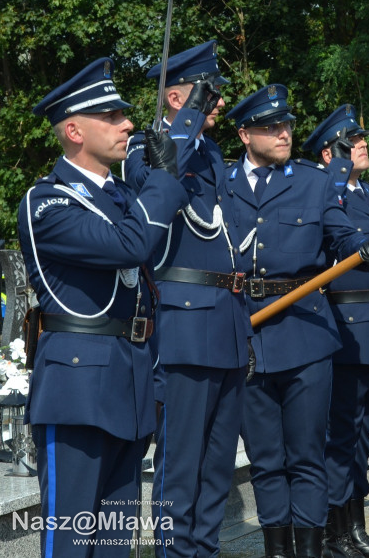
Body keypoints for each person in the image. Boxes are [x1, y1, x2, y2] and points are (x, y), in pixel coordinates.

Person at [18, 58, 187, 557]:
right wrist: (162, 180)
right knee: (71, 540)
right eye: (112, 116)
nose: (128, 124)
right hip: (77, 388)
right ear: (74, 130)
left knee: (114, 542)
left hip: (128, 383)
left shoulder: (122, 197)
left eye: (124, 115)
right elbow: (130, 247)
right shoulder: (47, 201)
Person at [223, 85, 369, 558]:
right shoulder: (223, 183)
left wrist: (365, 245)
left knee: (306, 457)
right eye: (270, 127)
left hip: (306, 336)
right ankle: (277, 550)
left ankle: (313, 550)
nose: (283, 133)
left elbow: (340, 235)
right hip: (249, 332)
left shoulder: (314, 182)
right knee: (265, 460)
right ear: (243, 134)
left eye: (288, 125)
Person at [123, 40, 251, 558]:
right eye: (207, 92)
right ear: (178, 99)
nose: (218, 101)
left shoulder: (212, 152)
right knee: (181, 463)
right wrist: (187, 122)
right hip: (184, 324)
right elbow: (152, 191)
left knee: (218, 462)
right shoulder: (147, 147)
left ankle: (204, 549)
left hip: (226, 323)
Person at [302, 105, 369, 558]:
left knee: (363, 432)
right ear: (329, 154)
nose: (361, 145)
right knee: (341, 435)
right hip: (349, 330)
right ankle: (333, 532)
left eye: (361, 139)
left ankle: (354, 527)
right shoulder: (327, 195)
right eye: (350, 142)